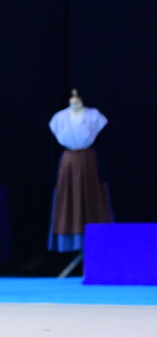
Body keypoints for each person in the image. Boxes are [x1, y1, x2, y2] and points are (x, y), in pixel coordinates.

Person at [48, 88, 112, 252]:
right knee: (69, 197)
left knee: (92, 196)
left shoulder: (94, 115)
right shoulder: (59, 118)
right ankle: (71, 240)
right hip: (69, 161)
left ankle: (97, 239)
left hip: (88, 160)